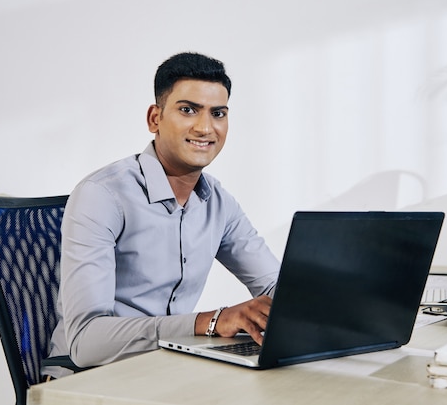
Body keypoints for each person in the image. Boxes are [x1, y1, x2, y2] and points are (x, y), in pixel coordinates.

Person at [43, 52, 280, 379]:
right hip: (88, 379)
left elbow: (273, 285)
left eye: (218, 113)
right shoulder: (103, 195)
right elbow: (86, 341)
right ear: (155, 118)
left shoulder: (218, 202)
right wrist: (209, 322)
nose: (205, 127)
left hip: (166, 371)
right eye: (188, 110)